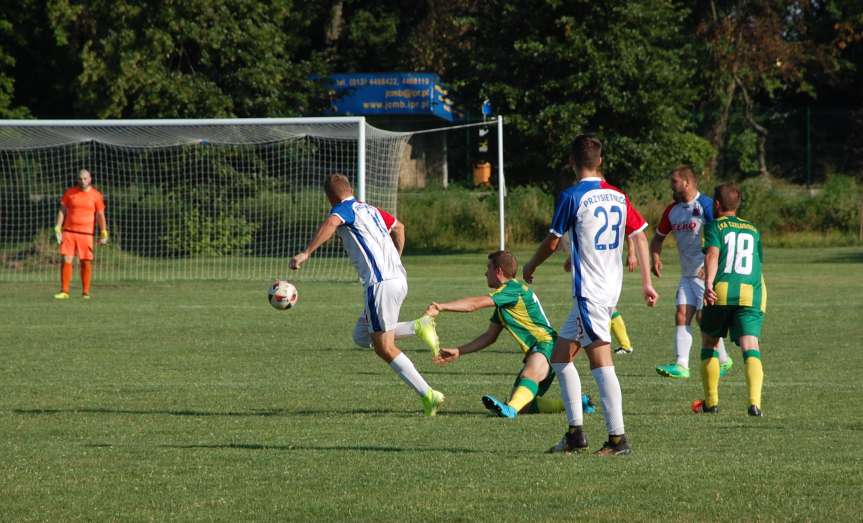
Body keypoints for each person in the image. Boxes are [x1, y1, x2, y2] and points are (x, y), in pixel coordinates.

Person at [523, 135, 658, 456]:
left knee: (601, 362)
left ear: (572, 162)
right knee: (559, 357)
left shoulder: (572, 196)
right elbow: (638, 232)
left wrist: (530, 264)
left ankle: (618, 440)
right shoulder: (618, 196)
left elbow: (553, 241)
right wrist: (645, 282)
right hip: (607, 287)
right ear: (600, 161)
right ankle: (575, 433)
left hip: (591, 292)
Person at [290, 173, 444, 416]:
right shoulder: (371, 209)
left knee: (384, 347)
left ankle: (428, 394)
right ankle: (418, 326)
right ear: (350, 188)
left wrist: (306, 253)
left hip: (380, 285)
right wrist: (395, 259)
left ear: (330, 197)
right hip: (399, 279)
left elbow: (330, 224)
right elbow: (400, 228)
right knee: (362, 336)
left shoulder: (344, 210)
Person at [425, 250, 595, 418]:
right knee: (525, 405)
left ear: (498, 271)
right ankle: (579, 403)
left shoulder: (512, 289)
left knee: (528, 377)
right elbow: (489, 336)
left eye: (488, 268)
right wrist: (459, 351)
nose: (485, 273)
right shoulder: (504, 302)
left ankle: (509, 411)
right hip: (540, 348)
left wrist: (441, 306)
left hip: (546, 344)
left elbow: (474, 304)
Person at [651, 166, 732, 379]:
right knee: (682, 315)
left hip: (705, 273)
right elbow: (658, 237)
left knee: (704, 319)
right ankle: (681, 365)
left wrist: (712, 266)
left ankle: (723, 360)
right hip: (687, 274)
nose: (671, 185)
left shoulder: (706, 205)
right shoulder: (673, 211)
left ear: (687, 183)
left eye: (674, 181)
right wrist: (656, 257)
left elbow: (723, 236)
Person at [693, 183, 766, 416]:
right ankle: (755, 403)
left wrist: (708, 283)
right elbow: (756, 263)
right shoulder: (753, 229)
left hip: (722, 291)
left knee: (710, 342)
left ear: (716, 204)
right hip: (751, 293)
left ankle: (711, 402)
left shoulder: (714, 226)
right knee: (750, 346)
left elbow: (713, 254)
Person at [564, 236, 636, 354]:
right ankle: (624, 345)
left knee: (603, 307)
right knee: (609, 308)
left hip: (601, 271)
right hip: (603, 269)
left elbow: (630, 232)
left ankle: (603, 344)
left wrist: (632, 253)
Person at [53, 169, 108, 299]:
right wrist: (58, 227)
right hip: (69, 232)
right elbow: (62, 210)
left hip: (86, 234)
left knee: (86, 262)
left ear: (90, 179)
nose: (82, 181)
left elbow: (100, 215)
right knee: (66, 259)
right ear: (77, 179)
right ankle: (64, 291)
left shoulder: (96, 195)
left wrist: (103, 232)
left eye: (85, 178)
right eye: (80, 179)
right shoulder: (70, 193)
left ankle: (85, 292)